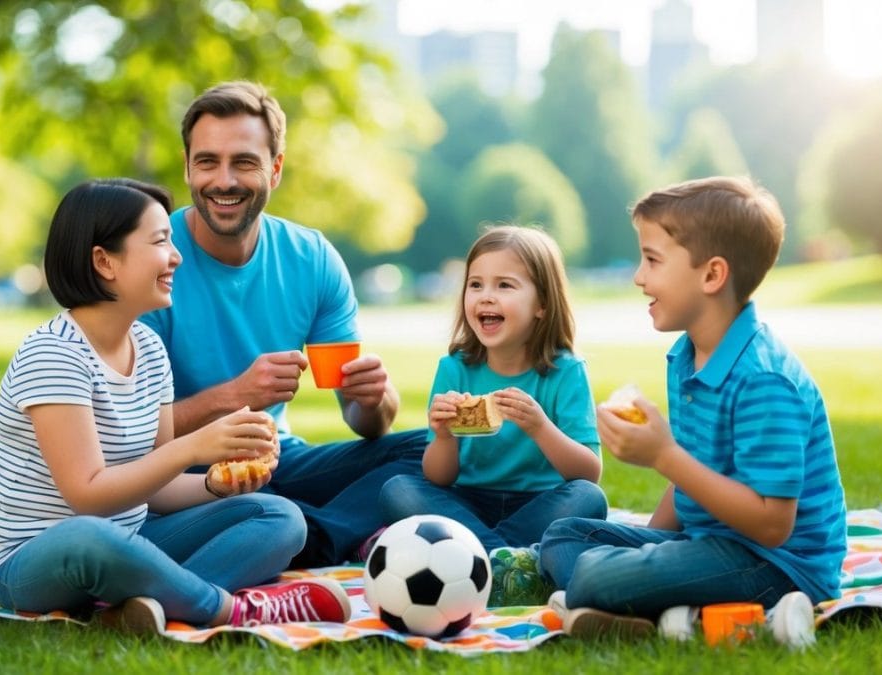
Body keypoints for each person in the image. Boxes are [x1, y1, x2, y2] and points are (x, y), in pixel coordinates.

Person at [0, 178, 351, 636]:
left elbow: (156, 490)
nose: (177, 257)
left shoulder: (150, 349)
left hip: (132, 536)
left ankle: (142, 606)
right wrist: (193, 447)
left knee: (279, 515)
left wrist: (218, 485)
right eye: (160, 242)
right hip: (35, 559)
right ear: (104, 261)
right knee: (90, 534)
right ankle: (228, 610)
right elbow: (87, 496)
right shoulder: (53, 355)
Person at [538, 176, 846, 646]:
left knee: (594, 576)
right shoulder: (687, 356)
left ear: (712, 275)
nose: (638, 277)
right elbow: (693, 474)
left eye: (652, 260)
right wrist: (648, 553)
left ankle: (639, 604)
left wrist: (663, 456)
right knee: (562, 538)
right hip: (709, 545)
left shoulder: (764, 379)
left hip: (777, 565)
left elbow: (772, 525)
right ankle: (652, 610)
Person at [139, 80, 427, 567]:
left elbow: (364, 421)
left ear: (275, 169)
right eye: (208, 162)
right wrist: (235, 395)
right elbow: (126, 432)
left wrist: (375, 399)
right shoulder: (152, 259)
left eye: (244, 162)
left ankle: (300, 535)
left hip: (274, 459)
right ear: (187, 166)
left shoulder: (311, 258)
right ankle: (308, 531)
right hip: (176, 473)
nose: (224, 181)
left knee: (427, 453)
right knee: (258, 505)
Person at [379, 225, 608, 606]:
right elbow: (438, 477)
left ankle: (477, 557)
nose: (486, 296)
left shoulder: (565, 371)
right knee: (398, 490)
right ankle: (510, 563)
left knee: (588, 499)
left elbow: (588, 473)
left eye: (504, 285)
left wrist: (540, 427)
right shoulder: (455, 368)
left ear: (542, 304)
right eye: (476, 284)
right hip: (468, 502)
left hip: (540, 503)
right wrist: (444, 435)